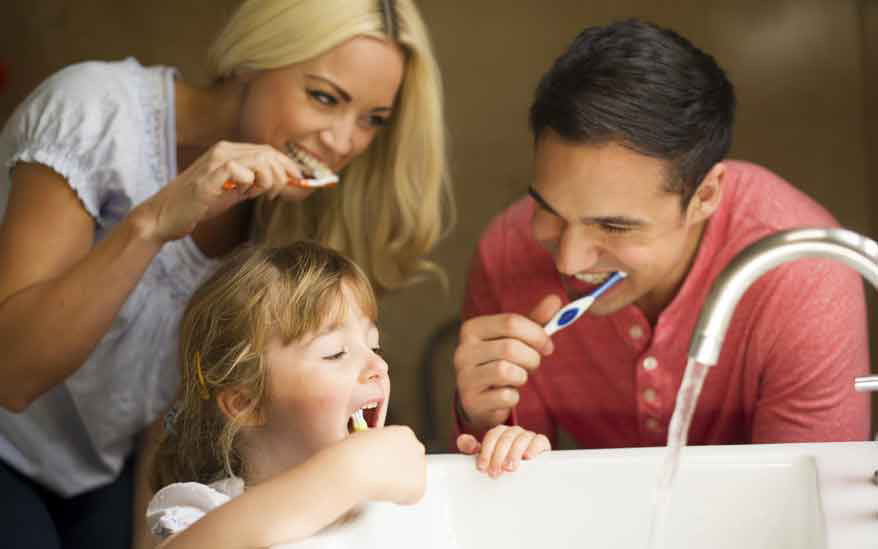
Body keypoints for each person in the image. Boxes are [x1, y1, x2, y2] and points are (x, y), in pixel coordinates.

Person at [0, 1, 452, 548]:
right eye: (324, 97)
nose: (341, 141)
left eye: (372, 120)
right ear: (251, 60)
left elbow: (175, 406)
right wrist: (154, 223)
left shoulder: (290, 214)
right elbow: (12, 374)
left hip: (101, 470)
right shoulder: (95, 110)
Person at [453, 19, 870, 449]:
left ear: (705, 196)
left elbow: (810, 496)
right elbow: (512, 496)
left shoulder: (805, 274)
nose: (569, 261)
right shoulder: (504, 254)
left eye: (614, 226)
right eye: (547, 209)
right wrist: (482, 419)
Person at [146, 241, 549, 548]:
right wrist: (347, 473)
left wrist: (499, 469)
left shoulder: (390, 498)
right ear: (247, 402)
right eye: (336, 353)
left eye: (374, 347)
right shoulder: (199, 513)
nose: (379, 366)